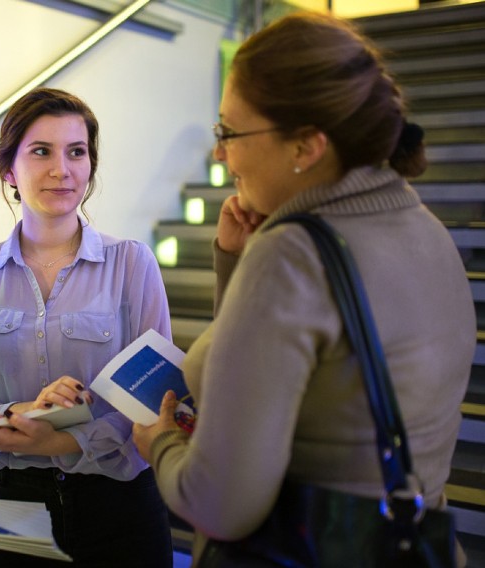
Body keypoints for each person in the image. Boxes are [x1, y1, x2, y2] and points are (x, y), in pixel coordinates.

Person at [132, 10, 475, 567]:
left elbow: (220, 505)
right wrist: (237, 267)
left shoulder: (292, 254)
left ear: (305, 147)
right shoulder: (424, 227)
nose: (220, 155)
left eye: (229, 133)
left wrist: (162, 445)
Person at [0, 87, 174, 567]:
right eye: (40, 151)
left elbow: (157, 401)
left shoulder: (131, 263)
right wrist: (19, 415)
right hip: (9, 509)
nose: (61, 169)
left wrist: (64, 440)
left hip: (118, 506)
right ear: (9, 170)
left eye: (77, 152)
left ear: (90, 166)